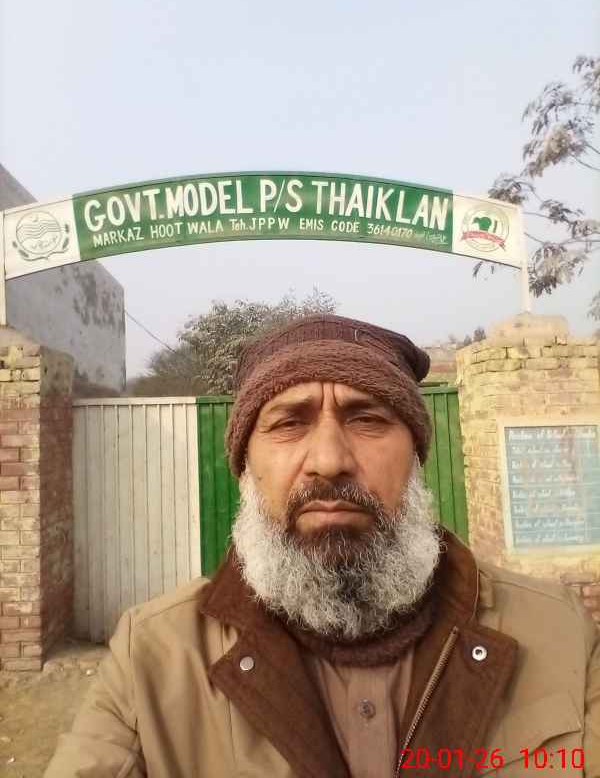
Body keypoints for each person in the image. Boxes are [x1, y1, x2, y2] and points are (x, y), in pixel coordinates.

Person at [45, 314, 600, 778]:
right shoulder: (153, 656)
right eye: (290, 423)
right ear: (247, 466)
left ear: (415, 458)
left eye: (368, 419)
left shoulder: (559, 635)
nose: (330, 460)